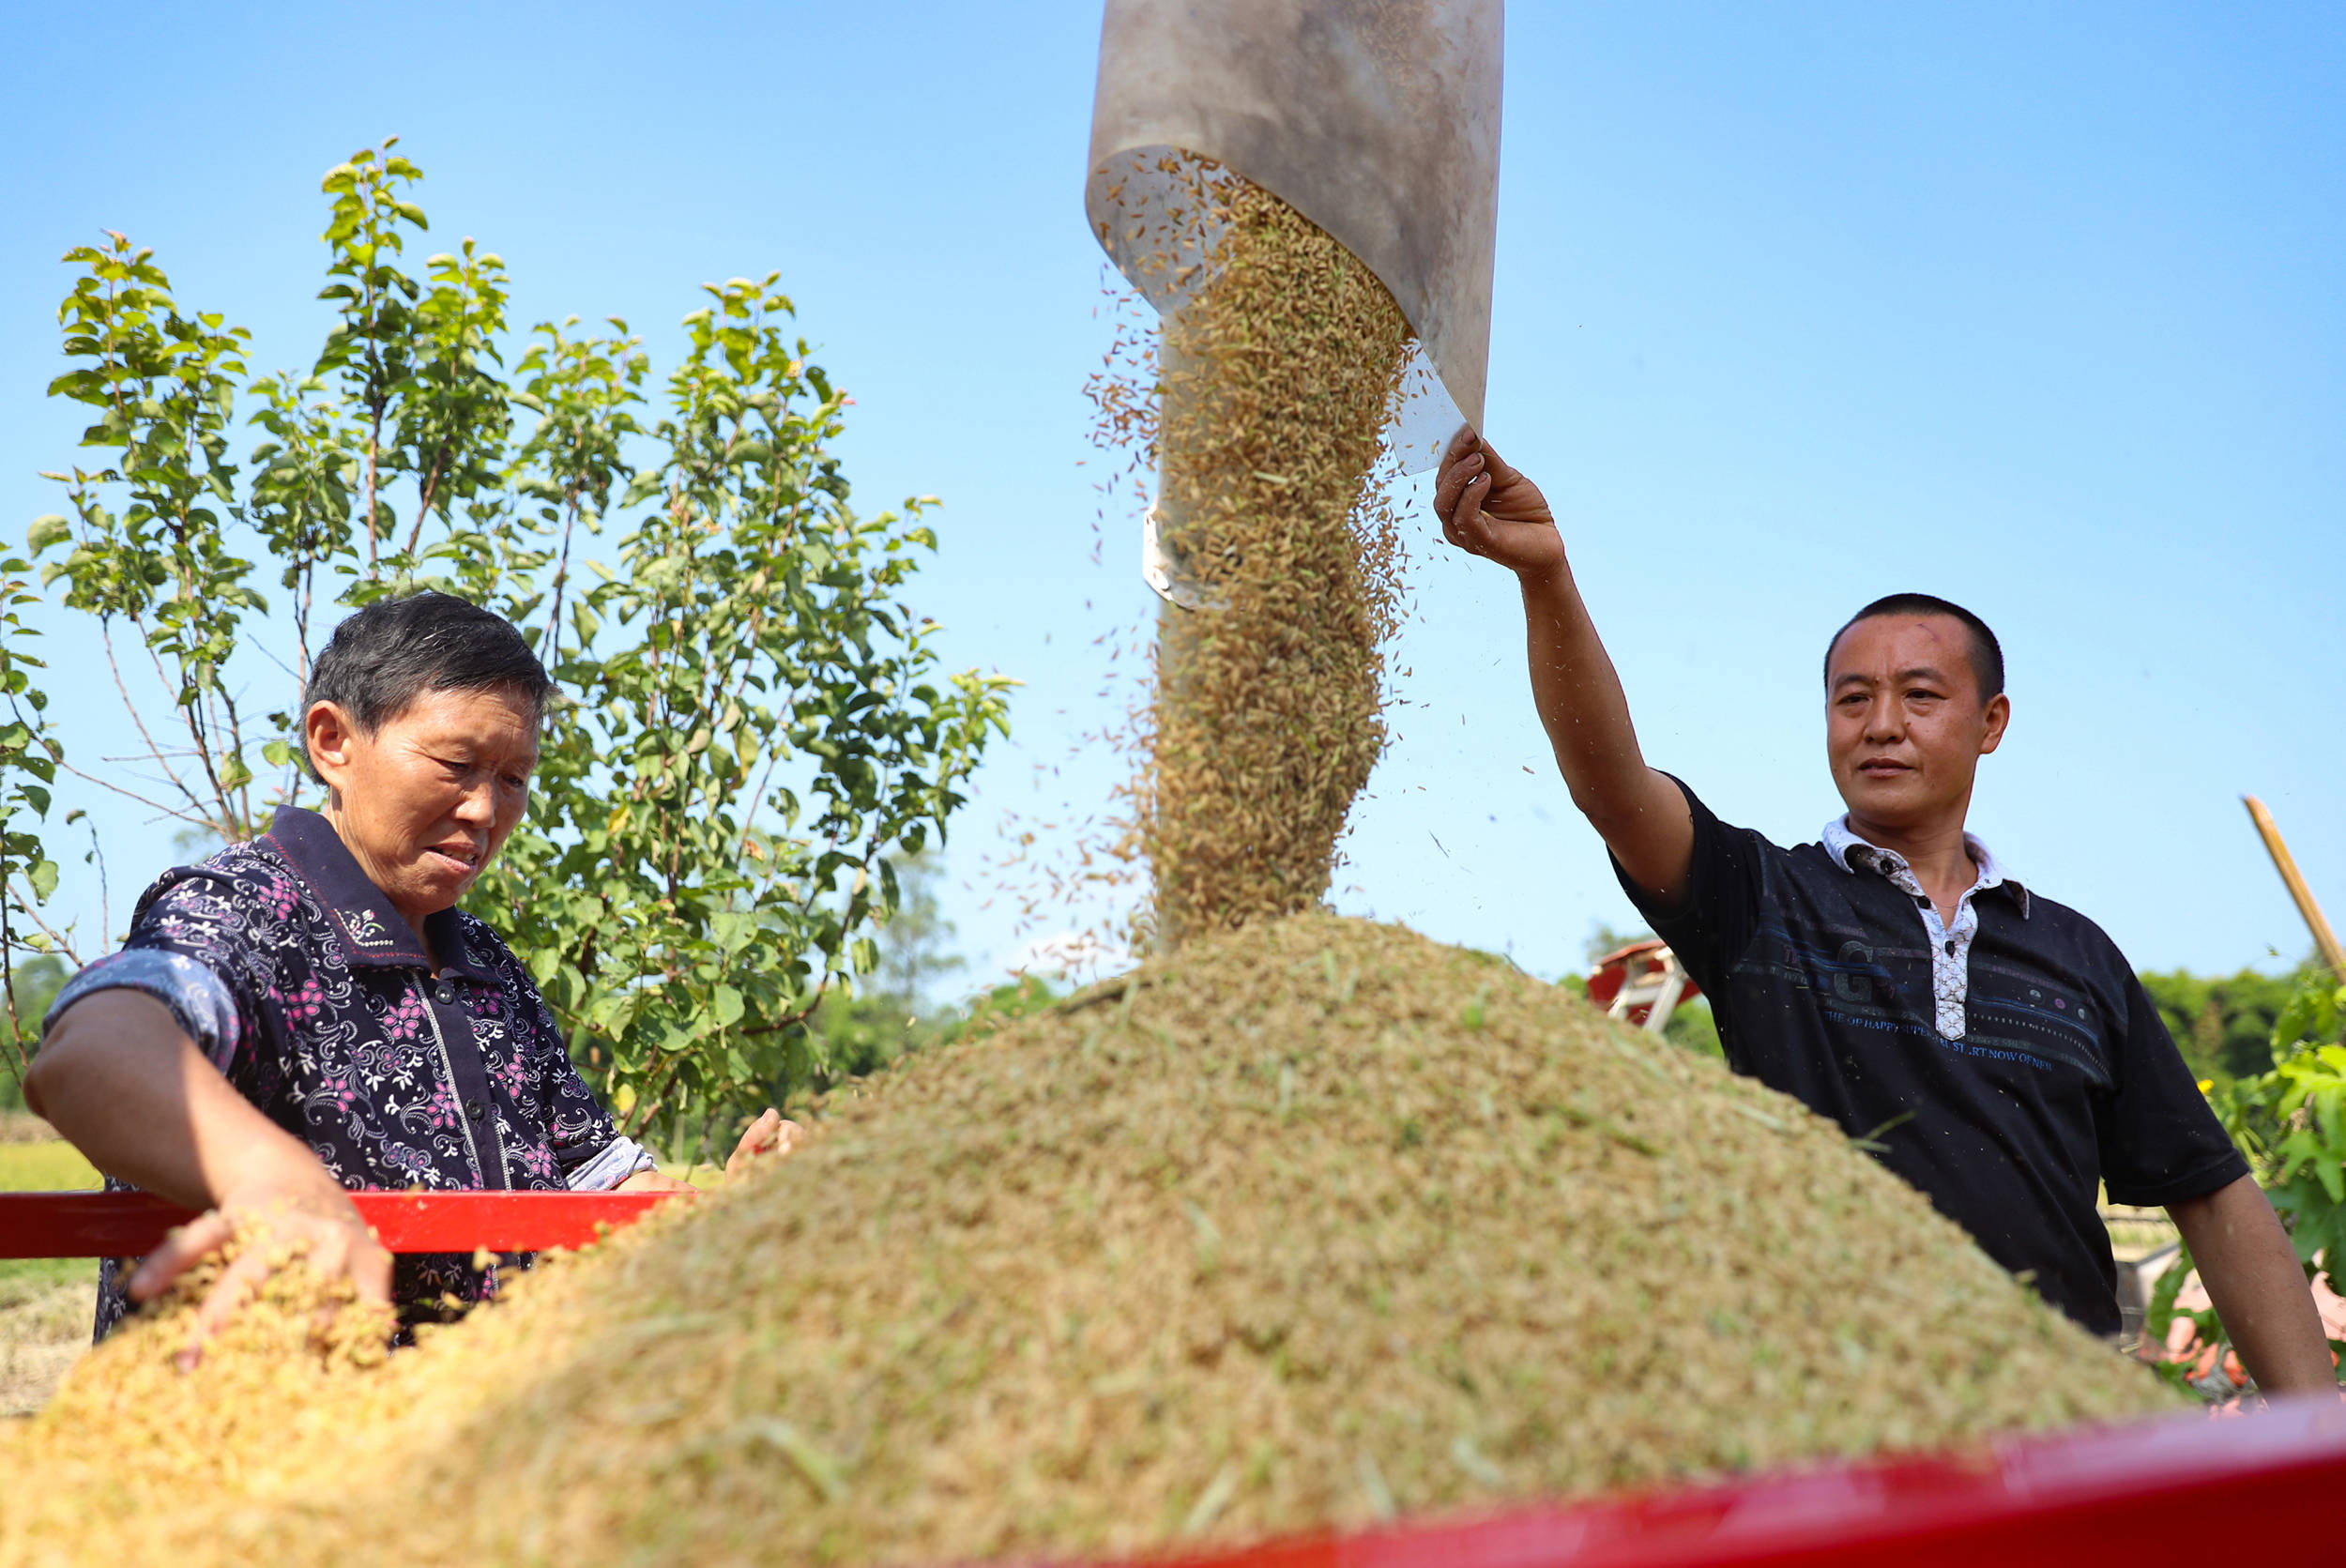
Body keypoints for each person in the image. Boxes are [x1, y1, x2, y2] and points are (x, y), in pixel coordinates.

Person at [1432, 427, 2336, 1395]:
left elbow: (2209, 1193)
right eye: (1850, 698)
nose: (1881, 725)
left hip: (2056, 1418)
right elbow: (1613, 789)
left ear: (1990, 724)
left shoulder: (2075, 957)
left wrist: (2317, 1436)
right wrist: (1546, 580)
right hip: (1833, 1411)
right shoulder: (1761, 900)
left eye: (1918, 695)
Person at [24, 591, 800, 1357]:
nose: (484, 809)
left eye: (514, 779)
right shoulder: (244, 914)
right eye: (457, 763)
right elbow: (90, 1051)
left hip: (475, 1447)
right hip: (259, 1452)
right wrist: (279, 1181)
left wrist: (725, 1212)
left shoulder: (489, 969)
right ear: (333, 741)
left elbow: (596, 1181)